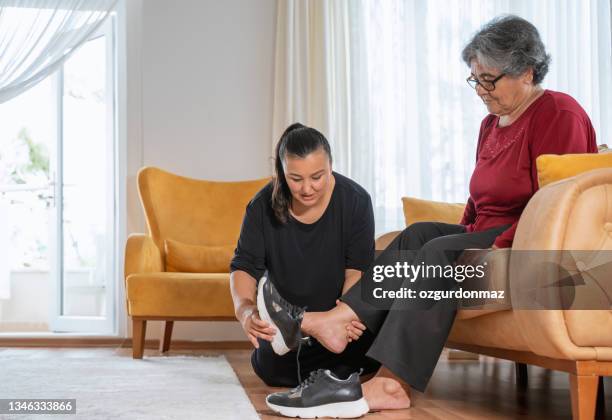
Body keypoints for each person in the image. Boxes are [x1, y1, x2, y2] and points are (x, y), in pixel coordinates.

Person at [262, 15, 598, 418]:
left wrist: (492, 252)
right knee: (416, 235)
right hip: (485, 234)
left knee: (438, 253)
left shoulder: (559, 114)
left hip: (524, 248)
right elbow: (478, 203)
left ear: (527, 71)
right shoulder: (491, 124)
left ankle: (391, 383)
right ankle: (339, 319)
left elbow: (557, 204)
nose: (481, 91)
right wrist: (467, 234)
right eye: (475, 79)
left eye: (489, 80)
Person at [229, 122, 380, 388]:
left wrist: (347, 314)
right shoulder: (261, 205)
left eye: (317, 176)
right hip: (289, 338)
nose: (307, 188)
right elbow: (244, 266)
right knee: (274, 371)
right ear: (282, 172)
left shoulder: (356, 200)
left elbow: (357, 269)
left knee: (354, 360)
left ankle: (317, 325)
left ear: (331, 166)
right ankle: (304, 326)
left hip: (342, 327)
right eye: (296, 179)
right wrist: (245, 312)